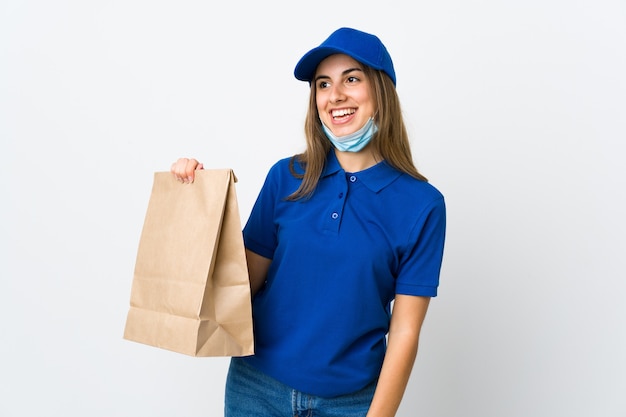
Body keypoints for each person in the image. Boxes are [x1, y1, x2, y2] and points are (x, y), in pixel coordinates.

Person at [171, 27, 446, 417]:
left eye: (352, 79)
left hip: (352, 401)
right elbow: (238, 286)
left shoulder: (422, 204)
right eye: (322, 84)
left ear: (381, 92)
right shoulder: (286, 177)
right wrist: (194, 199)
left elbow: (404, 332)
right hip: (257, 389)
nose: (335, 95)